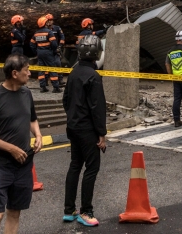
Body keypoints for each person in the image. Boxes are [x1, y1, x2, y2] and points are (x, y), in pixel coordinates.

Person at [0, 54, 43, 234]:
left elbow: (32, 119)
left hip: (24, 163)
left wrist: (38, 134)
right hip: (0, 164)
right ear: (15, 73)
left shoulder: (27, 93)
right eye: (26, 70)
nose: (29, 73)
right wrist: (11, 148)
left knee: (14, 212)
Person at [62, 35, 108, 226]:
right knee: (92, 167)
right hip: (87, 129)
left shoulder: (73, 73)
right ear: (97, 53)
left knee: (75, 165)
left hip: (73, 126)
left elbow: (65, 100)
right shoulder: (94, 76)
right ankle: (86, 211)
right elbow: (97, 108)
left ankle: (69, 209)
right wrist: (102, 134)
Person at [30, 15, 60, 93]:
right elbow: (54, 44)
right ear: (45, 23)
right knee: (52, 68)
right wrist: (54, 51)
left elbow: (32, 44)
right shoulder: (49, 32)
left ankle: (42, 87)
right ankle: (56, 87)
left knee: (41, 70)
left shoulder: (36, 33)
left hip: (40, 53)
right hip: (48, 52)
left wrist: (36, 52)